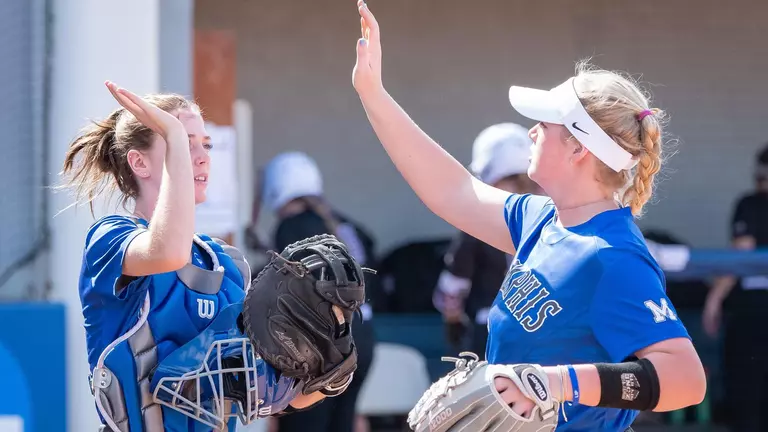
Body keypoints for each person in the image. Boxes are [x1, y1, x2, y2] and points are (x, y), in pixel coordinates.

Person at [350, 2, 706, 431]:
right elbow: (453, 191)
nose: (532, 132)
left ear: (579, 148)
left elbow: (686, 380)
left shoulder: (611, 255)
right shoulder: (542, 218)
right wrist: (374, 95)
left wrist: (553, 383)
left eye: (546, 124)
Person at [60, 82, 324, 431]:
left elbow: (276, 396)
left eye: (206, 144)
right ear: (139, 162)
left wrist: (328, 369)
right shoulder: (110, 237)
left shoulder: (225, 263)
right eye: (185, 144)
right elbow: (168, 252)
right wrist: (172, 132)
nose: (201, 157)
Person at [256, 151, 377, 432]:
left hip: (322, 343)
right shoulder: (345, 225)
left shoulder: (292, 225)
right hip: (362, 335)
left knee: (303, 425)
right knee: (340, 424)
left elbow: (288, 286)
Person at [434, 122, 543, 355]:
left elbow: (451, 290)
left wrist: (453, 320)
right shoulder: (552, 214)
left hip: (490, 329)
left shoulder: (480, 222)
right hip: (542, 329)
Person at [702, 143, 768, 431]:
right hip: (754, 308)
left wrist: (714, 299)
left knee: (747, 389)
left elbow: (743, 252)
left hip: (755, 311)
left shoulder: (752, 204)